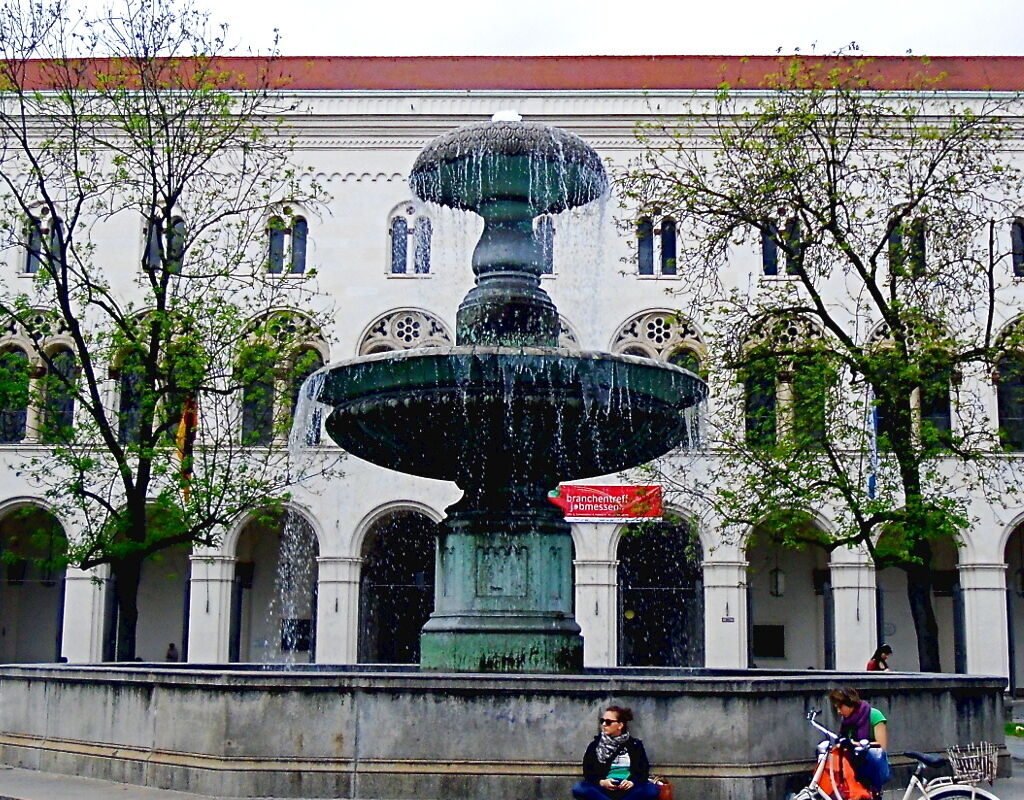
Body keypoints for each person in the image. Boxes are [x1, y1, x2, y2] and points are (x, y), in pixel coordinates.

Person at [572, 705, 660, 800]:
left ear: (620, 725)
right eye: (602, 721)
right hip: (604, 788)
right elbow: (588, 772)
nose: (604, 724)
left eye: (608, 722)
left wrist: (632, 782)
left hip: (628, 789)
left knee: (652, 790)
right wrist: (602, 782)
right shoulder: (595, 745)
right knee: (579, 788)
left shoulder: (634, 745)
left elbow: (643, 771)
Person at [829, 687, 890, 792]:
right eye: (836, 708)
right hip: (852, 768)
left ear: (850, 703)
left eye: (840, 707)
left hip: (871, 767)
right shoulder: (847, 721)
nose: (838, 712)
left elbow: (881, 746)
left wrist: (854, 744)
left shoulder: (874, 715)